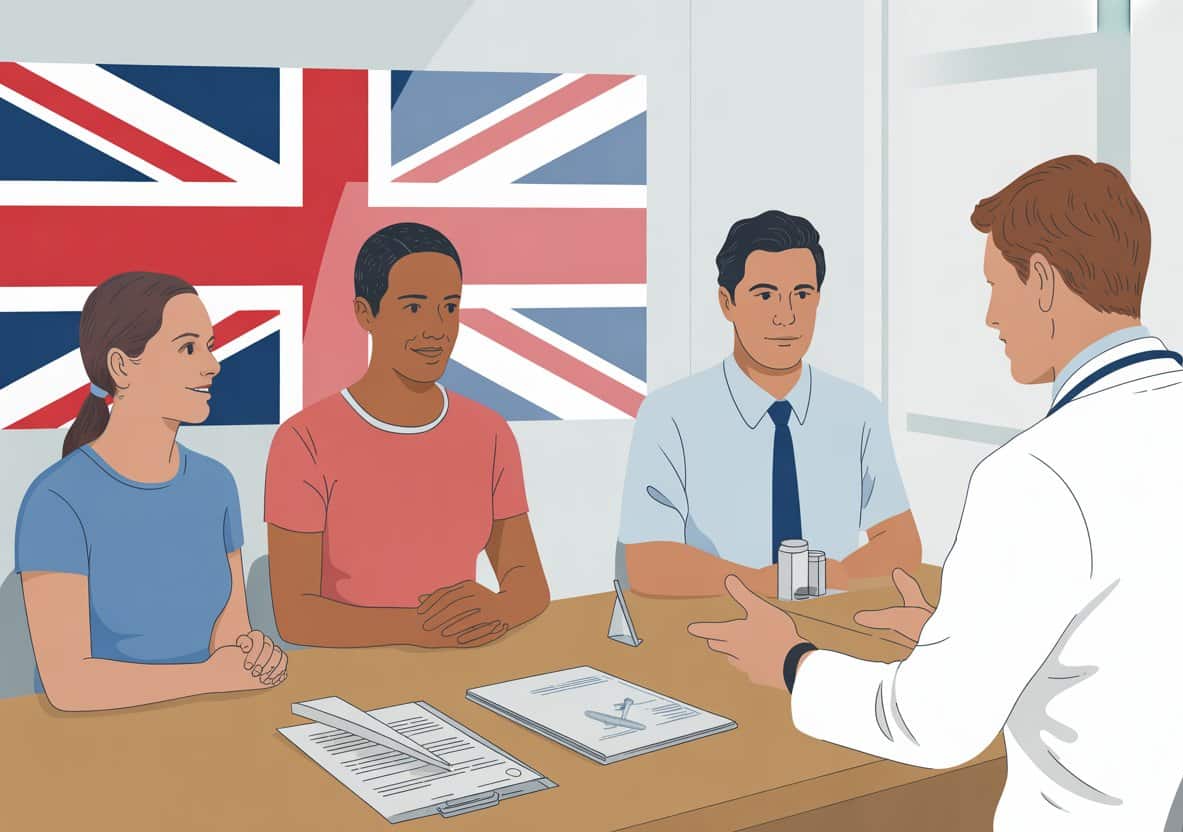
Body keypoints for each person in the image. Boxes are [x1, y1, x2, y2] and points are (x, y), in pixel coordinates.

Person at [688, 156, 1183, 830]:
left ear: (1045, 283)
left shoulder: (1036, 475)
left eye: (997, 285)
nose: (991, 315)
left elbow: (933, 724)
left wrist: (792, 662)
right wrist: (974, 635)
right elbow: (1153, 632)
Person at [265, 222, 550, 648]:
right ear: (366, 313)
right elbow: (296, 616)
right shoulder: (303, 441)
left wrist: (499, 609)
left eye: (449, 307)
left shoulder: (488, 433)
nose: (437, 329)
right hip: (354, 682)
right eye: (413, 308)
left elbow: (528, 581)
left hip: (468, 665)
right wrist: (425, 631)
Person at [16, 272, 287, 712]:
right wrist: (211, 676)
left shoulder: (217, 484)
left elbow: (232, 634)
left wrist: (252, 655)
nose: (213, 365)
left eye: (210, 345)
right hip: (100, 746)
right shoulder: (56, 502)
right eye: (187, 348)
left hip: (212, 727)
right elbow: (68, 684)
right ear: (123, 366)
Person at [619, 209, 921, 597]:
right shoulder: (671, 415)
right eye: (765, 295)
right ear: (726, 302)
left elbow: (901, 543)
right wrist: (767, 585)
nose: (786, 316)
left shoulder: (858, 411)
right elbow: (648, 563)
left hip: (833, 627)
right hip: (711, 625)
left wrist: (828, 580)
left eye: (801, 294)